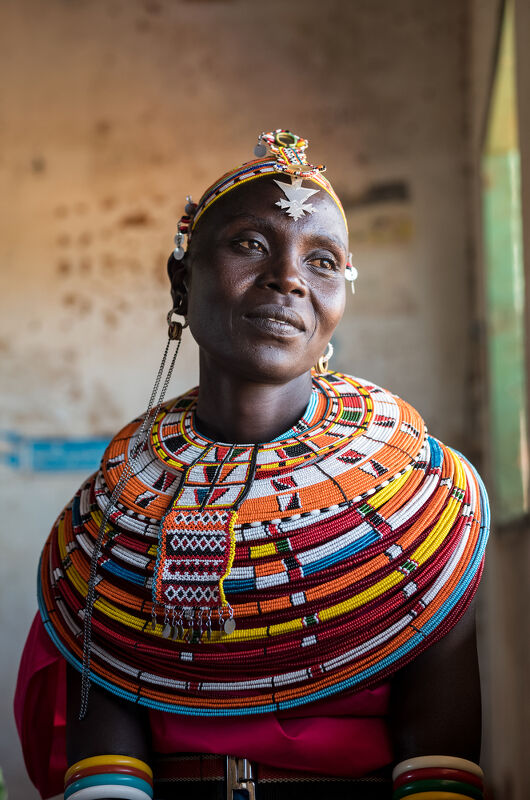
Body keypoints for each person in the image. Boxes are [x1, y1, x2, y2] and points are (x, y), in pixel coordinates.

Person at [15, 130, 489, 800]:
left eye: (322, 261)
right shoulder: (112, 523)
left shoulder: (424, 507)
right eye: (249, 244)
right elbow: (107, 779)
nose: (289, 277)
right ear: (182, 282)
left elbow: (438, 772)